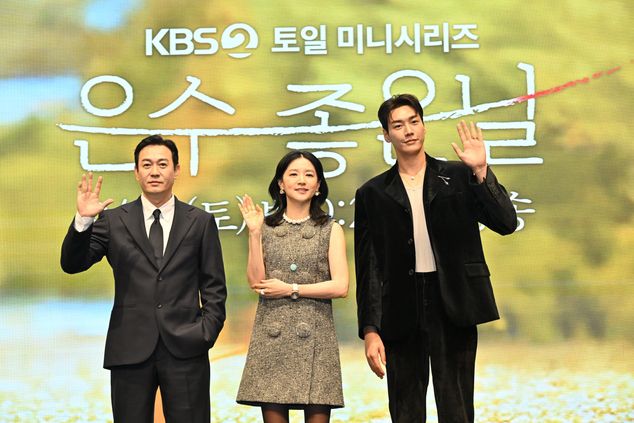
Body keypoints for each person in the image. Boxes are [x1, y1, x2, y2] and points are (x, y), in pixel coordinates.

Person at [354, 94, 517, 422]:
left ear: (424, 126)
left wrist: (481, 171)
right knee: (405, 408)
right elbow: (369, 267)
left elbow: (506, 223)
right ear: (386, 134)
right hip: (401, 306)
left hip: (453, 300)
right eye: (398, 125)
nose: (408, 131)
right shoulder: (372, 193)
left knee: (456, 405)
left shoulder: (458, 176)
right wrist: (371, 329)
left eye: (414, 121)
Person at [60, 135, 227, 423]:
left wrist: (205, 333)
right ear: (136, 172)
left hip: (187, 347)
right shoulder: (113, 220)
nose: (154, 171)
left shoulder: (200, 221)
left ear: (176, 169)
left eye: (162, 164)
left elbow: (214, 287)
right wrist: (83, 220)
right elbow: (72, 264)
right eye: (146, 165)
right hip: (129, 348)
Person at [236, 150, 349, 423]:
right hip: (272, 338)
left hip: (317, 337)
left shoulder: (330, 229)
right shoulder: (265, 227)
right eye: (294, 174)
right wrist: (254, 233)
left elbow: (341, 286)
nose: (301, 180)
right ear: (280, 183)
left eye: (309, 175)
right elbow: (256, 282)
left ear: (318, 185)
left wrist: (292, 289)